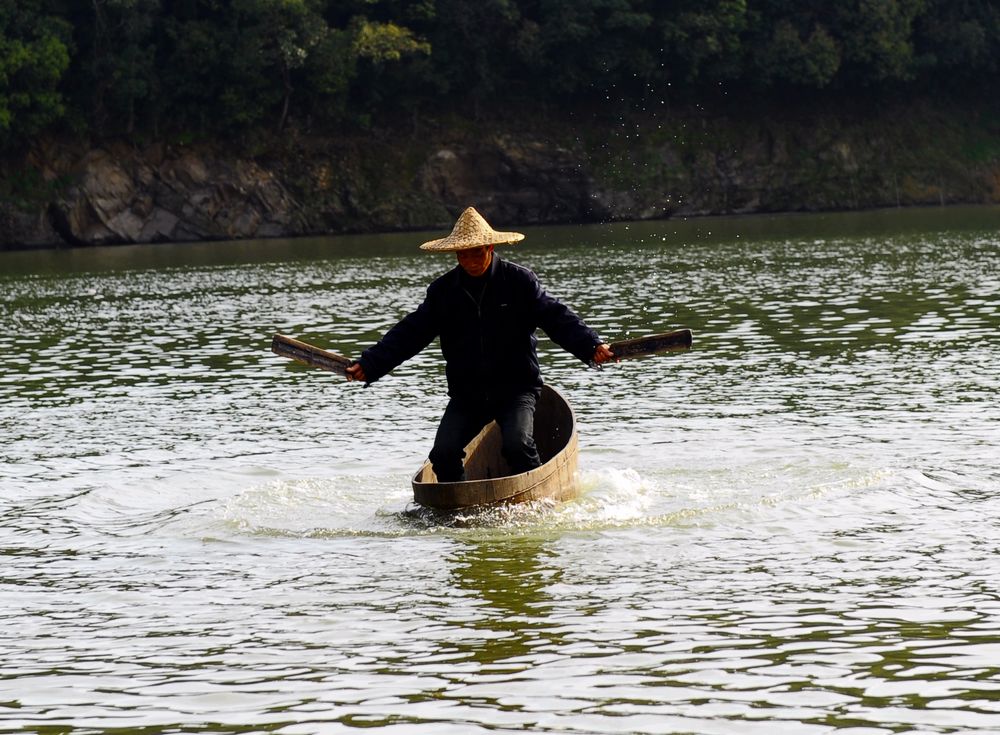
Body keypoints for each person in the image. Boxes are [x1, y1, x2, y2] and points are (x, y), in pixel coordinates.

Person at [346, 206, 614, 482]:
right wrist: (371, 364)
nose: (470, 260)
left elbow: (557, 317)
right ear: (455, 254)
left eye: (476, 252)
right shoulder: (443, 291)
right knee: (443, 454)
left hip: (516, 388)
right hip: (468, 394)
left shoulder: (519, 281)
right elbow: (410, 333)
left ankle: (540, 501)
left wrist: (591, 346)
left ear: (490, 248)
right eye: (463, 254)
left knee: (517, 445)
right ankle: (458, 510)